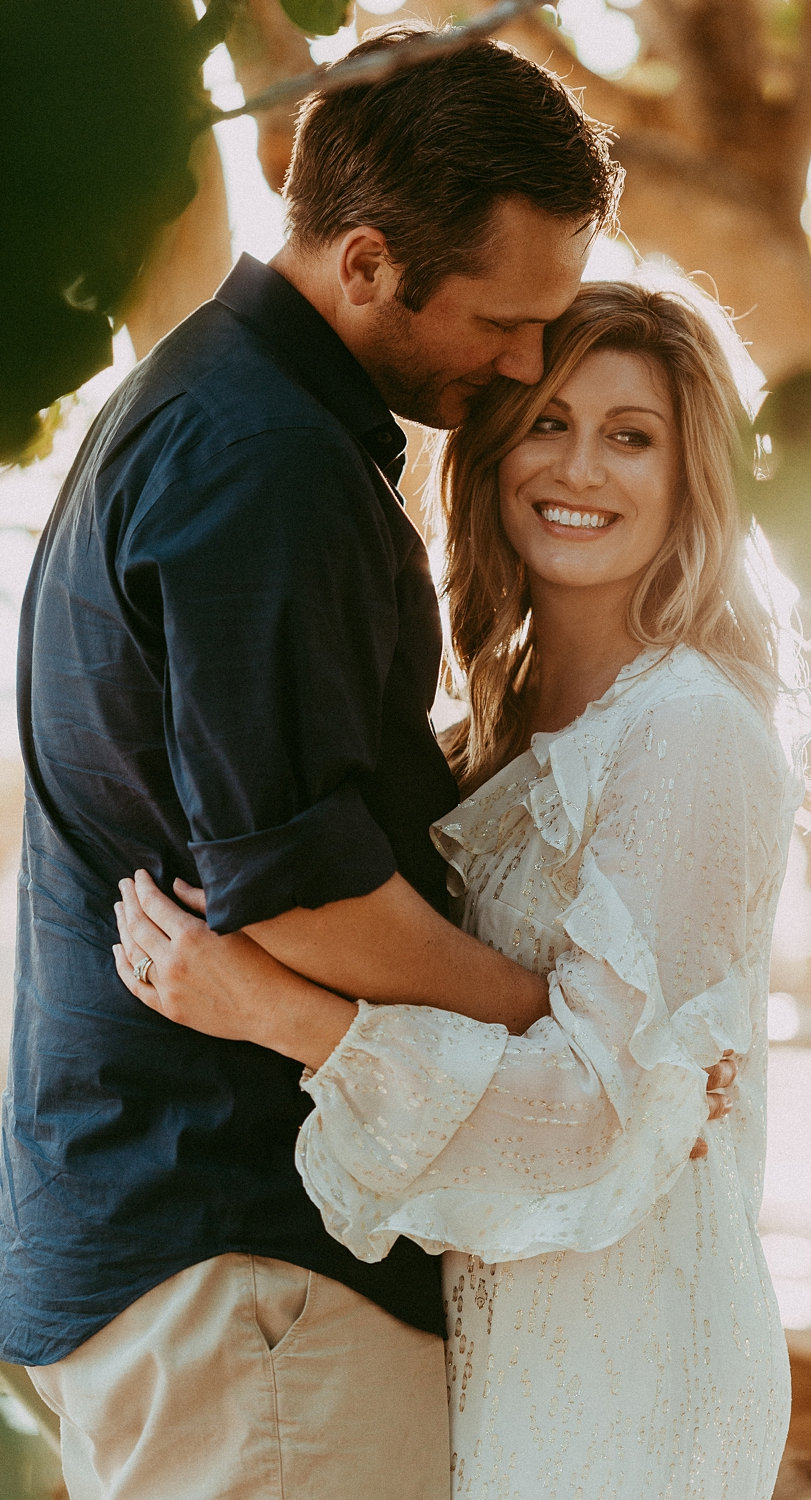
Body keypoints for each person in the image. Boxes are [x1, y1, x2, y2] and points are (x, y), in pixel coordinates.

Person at [1, 27, 628, 1500]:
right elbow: (306, 904)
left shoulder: (214, 412)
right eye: (505, 318)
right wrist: (577, 1030)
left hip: (197, 1255)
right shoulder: (260, 468)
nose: (529, 361)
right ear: (362, 263)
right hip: (248, 1264)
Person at [115, 279, 811, 1498]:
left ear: (689, 474)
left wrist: (274, 1010)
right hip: (499, 1324)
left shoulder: (690, 730)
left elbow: (600, 1114)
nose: (579, 466)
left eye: (629, 435)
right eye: (546, 420)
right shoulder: (475, 738)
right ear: (492, 451)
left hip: (633, 1343)